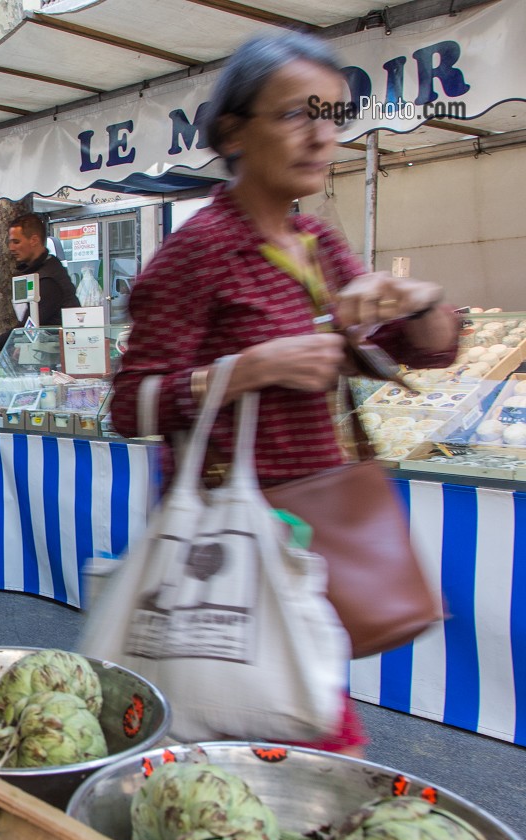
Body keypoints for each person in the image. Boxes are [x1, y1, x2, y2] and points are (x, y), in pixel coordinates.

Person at [108, 33, 459, 757]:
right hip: (234, 547)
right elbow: (130, 405)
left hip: (314, 533)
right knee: (286, 738)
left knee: (294, 729)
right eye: (298, 113)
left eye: (333, 115)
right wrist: (246, 369)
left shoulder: (318, 244)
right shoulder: (197, 251)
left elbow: (424, 348)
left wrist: (418, 300)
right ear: (235, 131)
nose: (322, 136)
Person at [0, 213, 81, 356]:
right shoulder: (44, 268)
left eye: (16, 242)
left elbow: (27, 327)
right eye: (10, 242)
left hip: (63, 357)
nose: (11, 248)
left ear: (34, 240)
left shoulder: (48, 279)